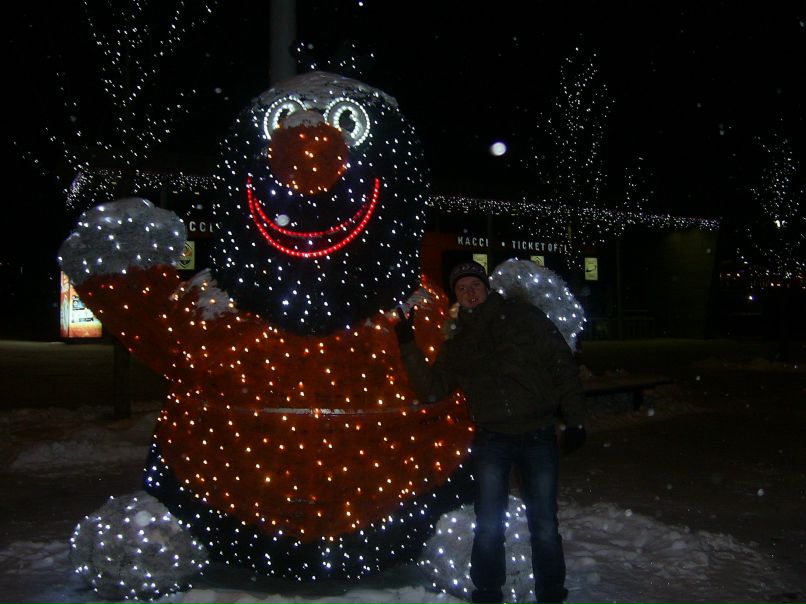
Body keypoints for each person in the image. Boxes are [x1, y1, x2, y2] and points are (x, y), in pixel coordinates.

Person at [395, 260, 586, 604]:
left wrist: (575, 420)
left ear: (486, 287)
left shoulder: (523, 318)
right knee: (488, 525)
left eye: (474, 285)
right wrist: (407, 342)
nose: (469, 293)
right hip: (492, 438)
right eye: (461, 288)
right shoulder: (458, 339)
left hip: (537, 433)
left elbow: (562, 365)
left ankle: (551, 593)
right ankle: (487, 593)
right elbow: (433, 390)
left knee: (543, 524)